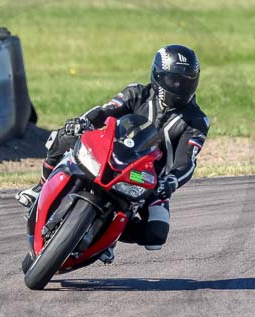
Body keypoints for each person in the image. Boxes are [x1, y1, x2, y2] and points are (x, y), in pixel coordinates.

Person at [16, 45, 210, 259]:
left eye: (187, 80)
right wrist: (83, 122)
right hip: (111, 156)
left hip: (146, 179)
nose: (180, 86)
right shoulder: (137, 93)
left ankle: (107, 236)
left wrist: (171, 181)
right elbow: (106, 111)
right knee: (64, 136)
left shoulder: (197, 121)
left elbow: (187, 160)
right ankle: (41, 186)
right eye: (174, 80)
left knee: (156, 233)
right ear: (158, 76)